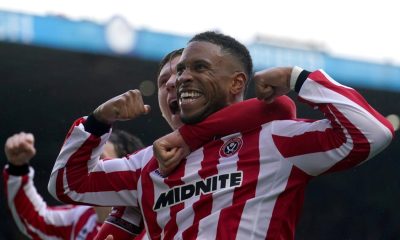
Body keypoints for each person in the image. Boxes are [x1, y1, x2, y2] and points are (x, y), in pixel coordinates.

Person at [47, 28, 394, 239]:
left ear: (237, 83)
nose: (181, 78)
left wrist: (296, 77)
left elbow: (371, 132)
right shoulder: (149, 163)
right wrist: (97, 121)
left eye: (198, 68)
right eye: (179, 70)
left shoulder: (274, 141)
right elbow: (66, 185)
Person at [95, 48, 297, 239]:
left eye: (190, 71)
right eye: (164, 80)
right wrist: (99, 119)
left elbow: (282, 106)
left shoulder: (259, 142)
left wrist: (188, 137)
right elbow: (69, 183)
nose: (174, 83)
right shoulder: (147, 169)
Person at [3, 130, 145, 239]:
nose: (87, 167)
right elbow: (34, 219)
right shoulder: (79, 217)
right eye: (87, 161)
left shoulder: (154, 224)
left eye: (98, 159)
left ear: (124, 171)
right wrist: (18, 168)